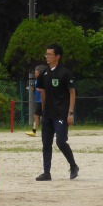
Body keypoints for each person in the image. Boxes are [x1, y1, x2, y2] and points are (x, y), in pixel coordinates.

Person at [35, 43, 79, 181]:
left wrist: (70, 113)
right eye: (46, 54)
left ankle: (73, 166)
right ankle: (46, 173)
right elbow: (43, 92)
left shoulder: (65, 73)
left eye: (50, 54)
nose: (47, 56)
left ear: (57, 56)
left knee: (61, 142)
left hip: (61, 113)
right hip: (48, 114)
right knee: (46, 144)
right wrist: (43, 111)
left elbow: (72, 93)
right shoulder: (44, 73)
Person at [26, 64, 47, 137]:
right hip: (39, 101)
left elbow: (46, 90)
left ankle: (34, 131)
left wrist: (40, 89)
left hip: (42, 101)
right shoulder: (36, 80)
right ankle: (34, 131)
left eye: (36, 73)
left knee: (37, 115)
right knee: (37, 116)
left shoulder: (44, 80)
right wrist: (33, 90)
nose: (35, 74)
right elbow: (37, 92)